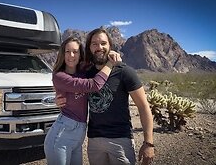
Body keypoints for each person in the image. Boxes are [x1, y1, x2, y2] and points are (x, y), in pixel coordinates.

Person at [56, 28, 155, 165]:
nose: (99, 47)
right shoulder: (86, 73)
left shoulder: (125, 72)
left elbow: (144, 107)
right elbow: (68, 82)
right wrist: (59, 96)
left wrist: (148, 143)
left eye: (103, 43)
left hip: (120, 140)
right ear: (89, 48)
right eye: (94, 44)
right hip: (94, 141)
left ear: (110, 46)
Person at [44, 36, 121, 165]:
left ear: (81, 54)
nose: (71, 55)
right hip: (61, 136)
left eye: (75, 51)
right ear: (62, 53)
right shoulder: (60, 76)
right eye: (67, 51)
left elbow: (98, 59)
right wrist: (110, 63)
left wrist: (110, 54)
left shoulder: (84, 72)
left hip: (78, 137)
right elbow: (94, 85)